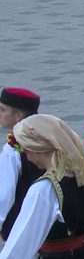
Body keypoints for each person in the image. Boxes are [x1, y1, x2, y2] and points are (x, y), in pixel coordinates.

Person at [2, 114, 84, 259]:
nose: (27, 157)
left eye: (26, 150)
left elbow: (22, 242)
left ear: (38, 149)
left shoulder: (44, 189)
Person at [0, 88, 43, 241]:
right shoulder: (47, 138)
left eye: (2, 110)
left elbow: (4, 193)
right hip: (47, 225)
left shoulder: (12, 149)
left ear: (18, 116)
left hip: (20, 226)